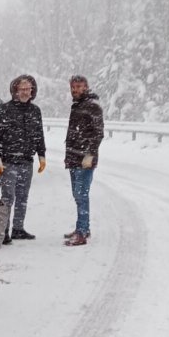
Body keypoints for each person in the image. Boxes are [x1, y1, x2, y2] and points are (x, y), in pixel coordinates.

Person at [0, 74, 46, 244]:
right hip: (8, 161)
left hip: (27, 161)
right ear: (15, 90)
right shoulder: (3, 110)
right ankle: (3, 231)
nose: (26, 92)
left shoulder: (35, 111)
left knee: (22, 197)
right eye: (22, 89)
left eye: (28, 89)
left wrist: (42, 155)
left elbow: (39, 135)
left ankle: (18, 229)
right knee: (8, 197)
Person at [63, 75, 104, 247]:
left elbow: (98, 132)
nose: (76, 90)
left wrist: (90, 154)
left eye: (79, 86)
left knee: (82, 195)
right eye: (73, 87)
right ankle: (83, 227)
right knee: (77, 195)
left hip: (85, 160)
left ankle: (81, 233)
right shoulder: (77, 105)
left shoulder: (93, 106)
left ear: (86, 87)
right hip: (73, 158)